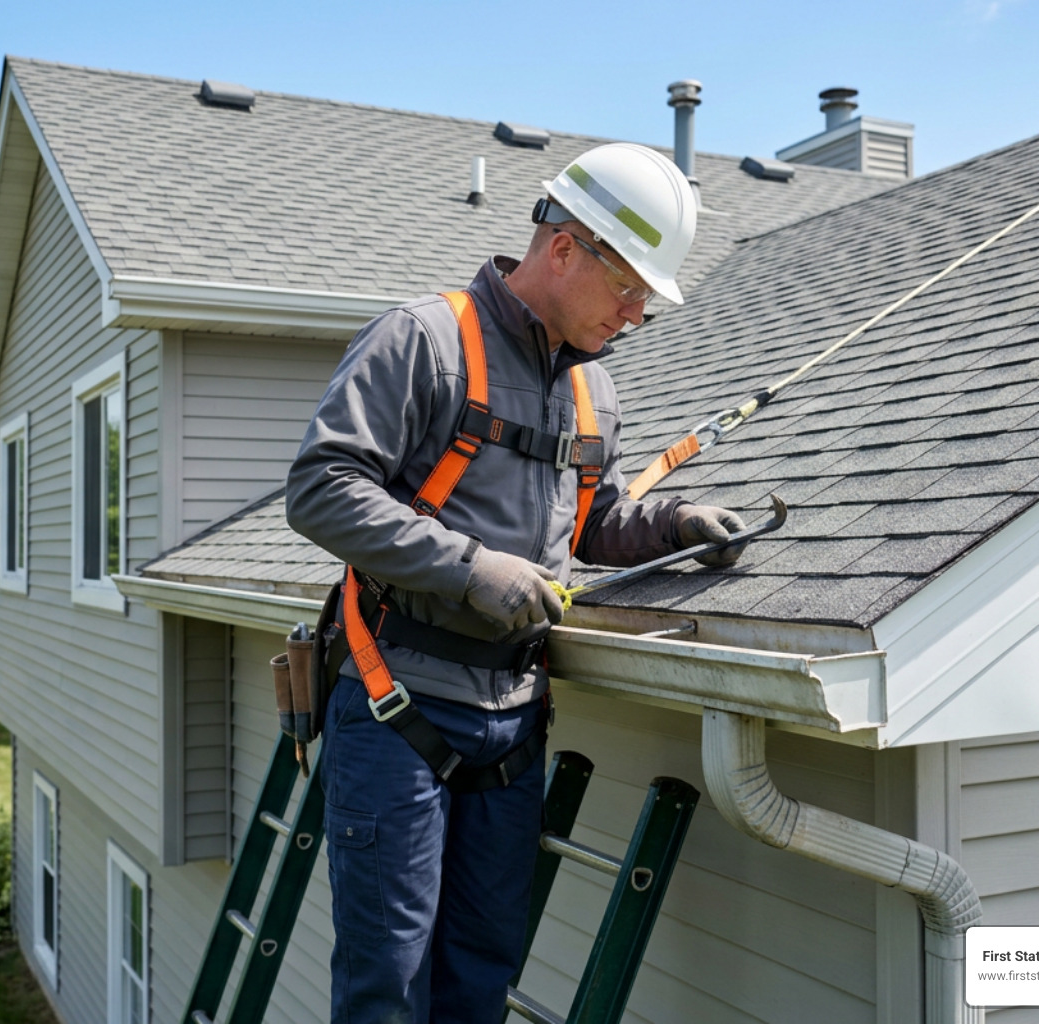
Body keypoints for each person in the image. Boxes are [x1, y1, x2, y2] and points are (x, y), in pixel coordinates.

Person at [285, 142, 751, 1024]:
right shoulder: (424, 340)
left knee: (481, 977)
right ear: (566, 246)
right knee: (388, 987)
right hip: (398, 709)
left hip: (512, 725)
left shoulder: (593, 396)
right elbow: (321, 488)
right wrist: (470, 567)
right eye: (629, 288)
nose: (639, 313)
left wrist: (677, 525)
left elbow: (592, 522)